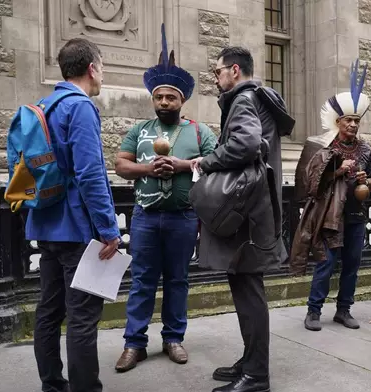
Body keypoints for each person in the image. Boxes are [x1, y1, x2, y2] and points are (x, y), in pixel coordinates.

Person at [113, 24, 218, 372]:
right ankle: (134, 344)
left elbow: (215, 164)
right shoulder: (139, 131)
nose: (163, 102)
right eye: (158, 97)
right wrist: (148, 169)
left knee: (177, 280)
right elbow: (120, 165)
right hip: (145, 217)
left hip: (183, 217)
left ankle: (174, 338)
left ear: (181, 100)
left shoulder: (199, 131)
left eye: (170, 97)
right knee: (142, 279)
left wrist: (182, 164)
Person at [191, 46, 291, 392]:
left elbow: (246, 145)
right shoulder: (261, 98)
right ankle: (250, 361)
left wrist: (206, 162)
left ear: (234, 70)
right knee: (246, 289)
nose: (216, 78)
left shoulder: (244, 99)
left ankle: (257, 375)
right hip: (256, 209)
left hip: (246, 212)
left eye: (217, 72)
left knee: (249, 293)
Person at [26, 38, 120, 392]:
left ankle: (52, 385)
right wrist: (110, 230)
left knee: (49, 310)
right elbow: (91, 174)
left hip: (46, 223)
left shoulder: (43, 105)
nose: (102, 76)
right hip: (77, 230)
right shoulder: (80, 107)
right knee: (82, 317)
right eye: (103, 68)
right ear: (92, 68)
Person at [288, 59, 371, 332]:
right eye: (348, 120)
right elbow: (308, 185)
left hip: (355, 216)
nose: (353, 125)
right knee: (325, 265)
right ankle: (313, 311)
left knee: (351, 265)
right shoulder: (321, 148)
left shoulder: (366, 151)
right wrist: (338, 171)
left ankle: (344, 310)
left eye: (356, 121)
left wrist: (367, 181)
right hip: (329, 217)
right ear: (338, 122)